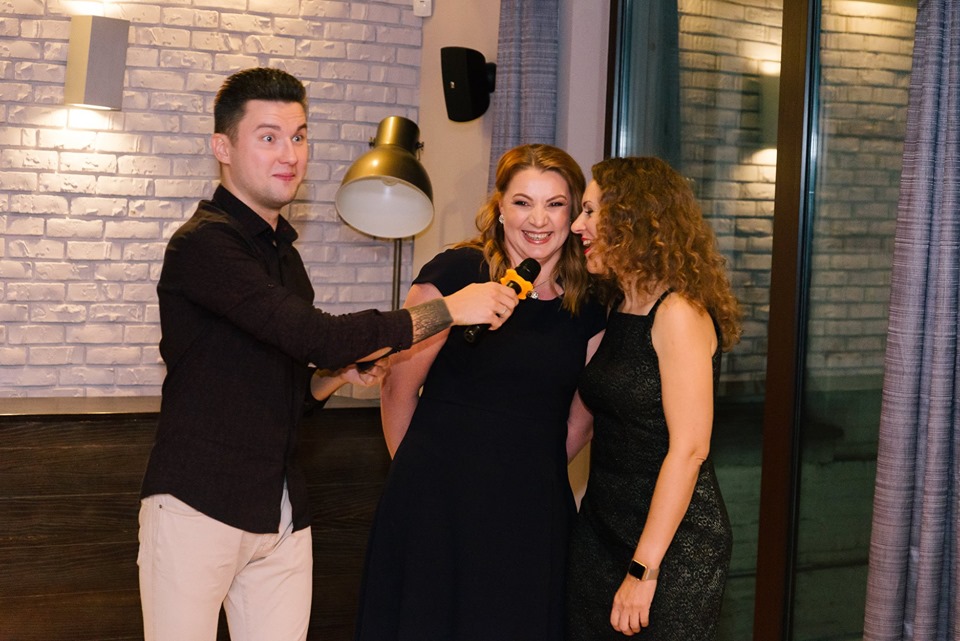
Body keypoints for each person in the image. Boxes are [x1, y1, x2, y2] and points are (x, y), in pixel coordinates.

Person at [137, 67, 520, 641]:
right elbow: (318, 336)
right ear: (223, 147)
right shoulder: (203, 244)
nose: (290, 154)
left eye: (298, 136)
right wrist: (449, 309)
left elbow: (291, 386)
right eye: (268, 137)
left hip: (281, 512)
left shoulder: (285, 257)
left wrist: (334, 377)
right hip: (198, 505)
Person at [353, 144, 606, 641]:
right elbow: (398, 388)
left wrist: (523, 474)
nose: (538, 220)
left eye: (555, 204)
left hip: (531, 509)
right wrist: (420, 482)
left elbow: (582, 418)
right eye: (522, 202)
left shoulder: (590, 302)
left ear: (574, 214)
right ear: (500, 207)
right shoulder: (456, 273)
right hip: (436, 502)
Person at [565, 156, 742, 640]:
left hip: (671, 548)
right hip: (601, 530)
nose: (577, 225)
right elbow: (587, 419)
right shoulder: (619, 305)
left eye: (590, 212)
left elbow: (690, 450)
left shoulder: (678, 312)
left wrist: (643, 571)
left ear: (632, 220)